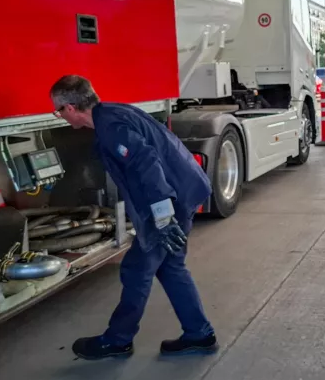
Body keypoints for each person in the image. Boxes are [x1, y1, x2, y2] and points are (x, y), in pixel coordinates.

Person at [49, 75, 218, 360]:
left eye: (58, 111)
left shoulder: (111, 127)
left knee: (136, 269)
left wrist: (163, 217)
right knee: (171, 266)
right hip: (182, 190)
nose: (59, 116)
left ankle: (118, 340)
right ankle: (199, 333)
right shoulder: (114, 113)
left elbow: (146, 162)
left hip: (167, 200)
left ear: (70, 108)